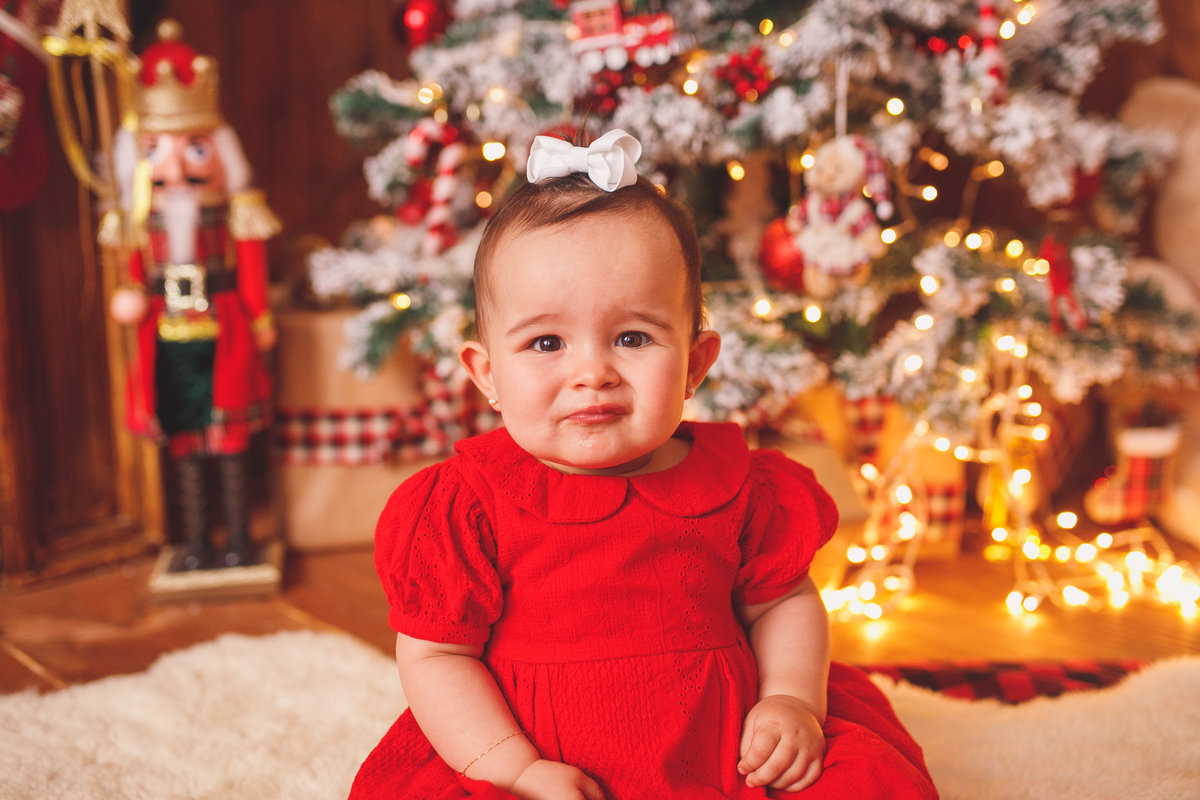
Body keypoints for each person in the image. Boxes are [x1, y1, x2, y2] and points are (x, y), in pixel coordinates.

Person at [350, 130, 937, 800]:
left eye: (633, 337)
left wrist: (790, 702)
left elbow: (785, 603)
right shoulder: (467, 504)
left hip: (727, 755)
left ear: (694, 363)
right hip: (536, 764)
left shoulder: (740, 485)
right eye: (546, 341)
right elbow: (436, 656)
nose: (592, 373)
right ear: (486, 374)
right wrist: (514, 768)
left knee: (865, 784)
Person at [109, 20, 280, 571]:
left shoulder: (234, 212)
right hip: (167, 335)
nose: (175, 168)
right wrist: (130, 297)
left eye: (196, 149)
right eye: (156, 150)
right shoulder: (136, 222)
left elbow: (250, 267)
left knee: (228, 437)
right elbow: (132, 275)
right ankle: (196, 543)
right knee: (184, 441)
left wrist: (259, 316)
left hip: (225, 325)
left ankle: (239, 542)